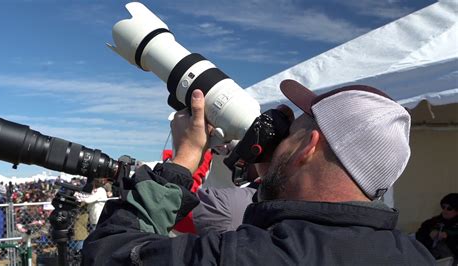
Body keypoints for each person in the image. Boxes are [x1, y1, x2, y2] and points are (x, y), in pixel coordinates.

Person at [83, 82, 435, 265]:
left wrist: (184, 160)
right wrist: (280, 179)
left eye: (291, 132)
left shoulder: (251, 256)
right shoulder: (416, 256)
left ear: (308, 146)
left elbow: (110, 254)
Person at [416, 193, 458, 262]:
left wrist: (448, 237)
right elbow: (417, 240)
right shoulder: (431, 223)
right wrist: (429, 237)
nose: (445, 211)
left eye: (449, 209)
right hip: (429, 260)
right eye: (443, 207)